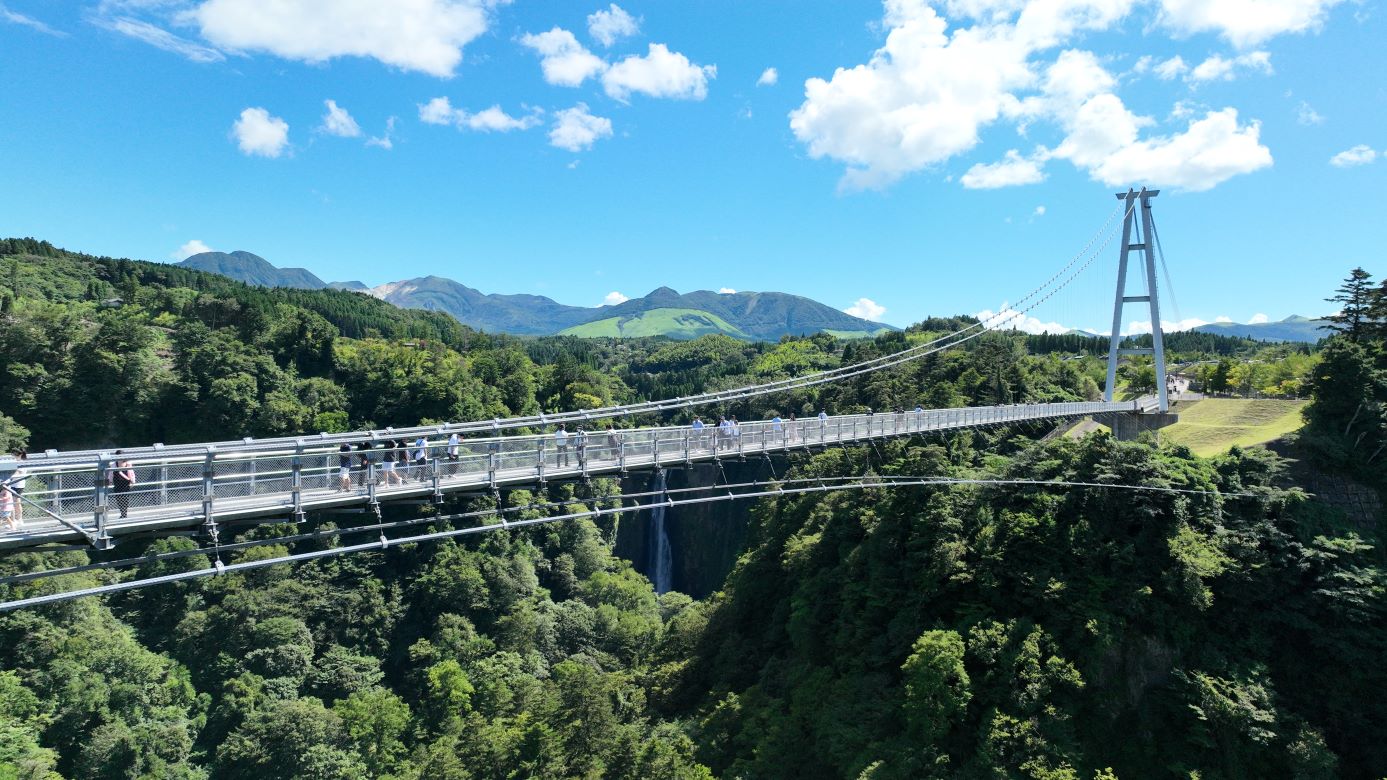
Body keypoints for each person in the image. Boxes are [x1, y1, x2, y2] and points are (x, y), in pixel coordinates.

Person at [4, 449, 28, 527]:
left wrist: (7, 476)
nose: (13, 456)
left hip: (18, 485)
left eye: (14, 454)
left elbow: (17, 473)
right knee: (13, 503)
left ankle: (19, 520)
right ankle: (14, 520)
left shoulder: (22, 463)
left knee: (16, 503)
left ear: (20, 455)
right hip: (12, 485)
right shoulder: (15, 462)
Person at [110, 450, 136, 519]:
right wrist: (108, 482)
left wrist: (133, 482)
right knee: (119, 499)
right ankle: (123, 514)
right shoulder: (114, 464)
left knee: (125, 499)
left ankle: (124, 514)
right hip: (117, 484)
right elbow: (110, 475)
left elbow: (131, 473)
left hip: (126, 484)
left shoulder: (128, 463)